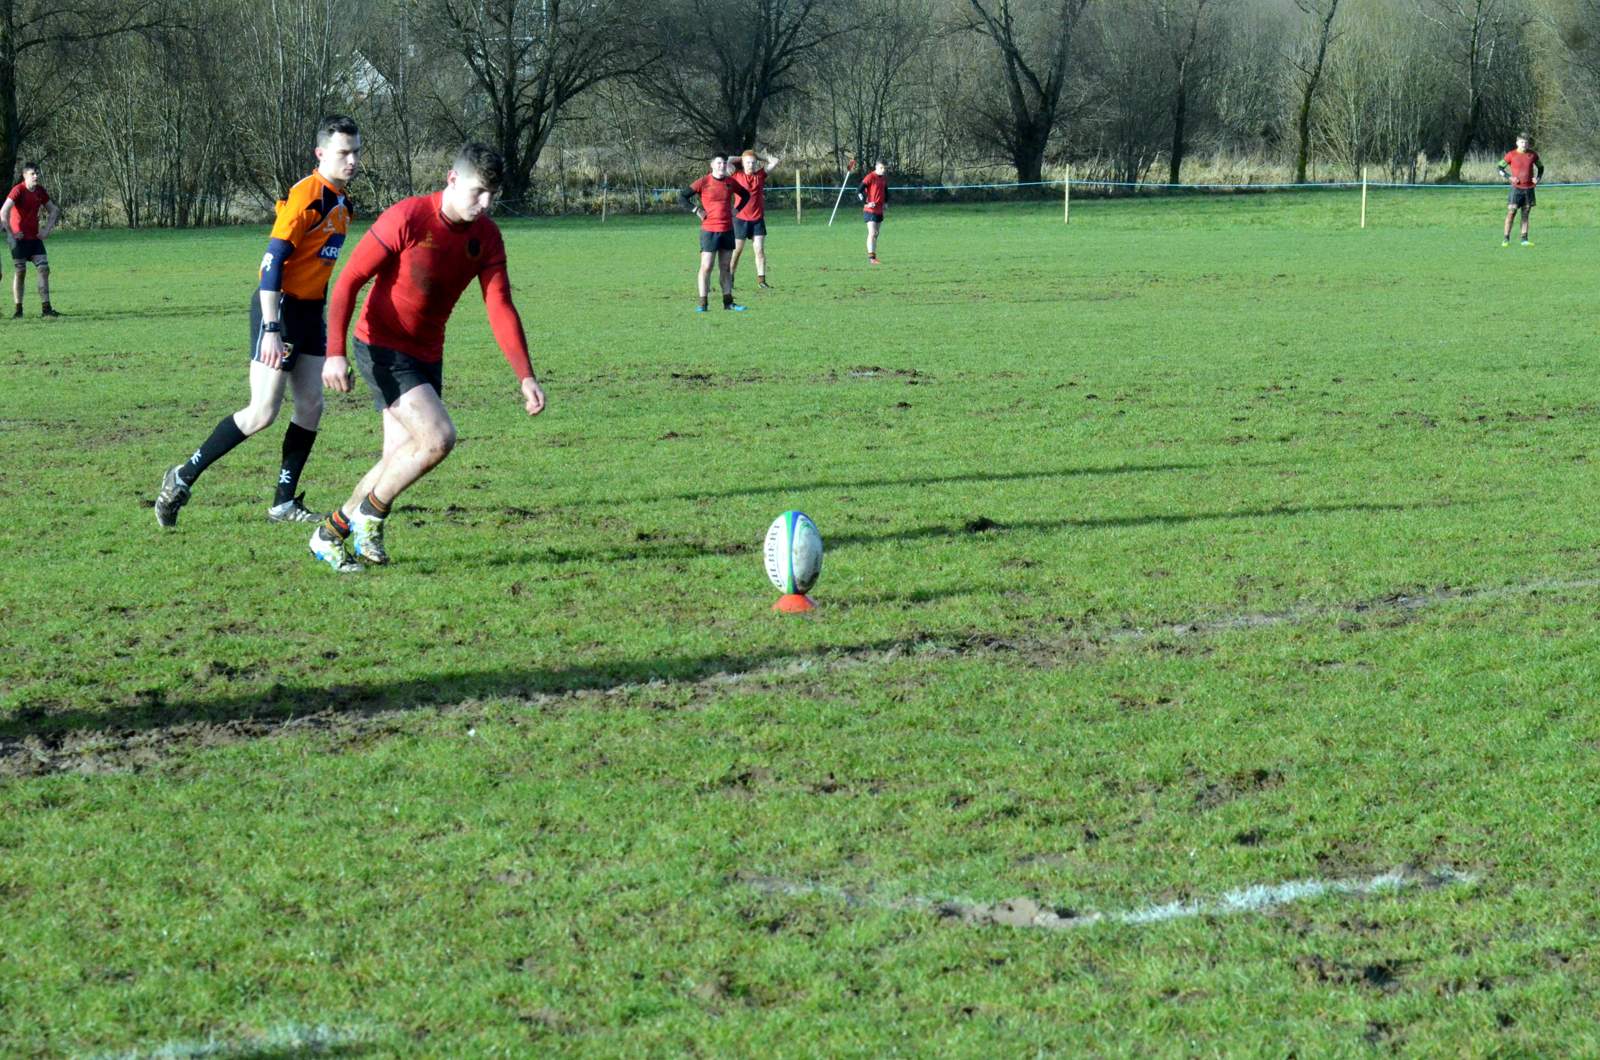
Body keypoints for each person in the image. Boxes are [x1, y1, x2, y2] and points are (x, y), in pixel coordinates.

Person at [311, 142, 547, 573]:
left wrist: (525, 375)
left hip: (427, 354)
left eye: (493, 195)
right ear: (452, 179)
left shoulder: (487, 236)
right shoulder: (407, 217)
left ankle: (330, 534)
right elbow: (348, 281)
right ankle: (370, 516)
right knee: (438, 438)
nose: (485, 204)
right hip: (380, 346)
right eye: (478, 192)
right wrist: (334, 353)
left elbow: (499, 305)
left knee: (397, 458)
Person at [154, 116, 361, 529]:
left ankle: (283, 503)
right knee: (263, 412)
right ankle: (182, 477)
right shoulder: (307, 196)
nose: (352, 160)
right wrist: (271, 327)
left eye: (356, 152)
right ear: (321, 153)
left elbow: (318, 269)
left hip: (309, 313)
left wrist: (322, 325)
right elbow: (270, 264)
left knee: (311, 406)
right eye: (344, 152)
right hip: (279, 309)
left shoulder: (343, 204)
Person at [678, 154, 750, 312]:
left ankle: (728, 303)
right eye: (718, 163)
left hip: (727, 230)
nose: (722, 166)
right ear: (712, 165)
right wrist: (697, 210)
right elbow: (682, 197)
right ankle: (703, 304)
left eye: (724, 163)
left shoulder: (730, 182)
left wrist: (736, 210)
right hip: (709, 231)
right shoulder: (703, 182)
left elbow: (746, 195)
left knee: (725, 267)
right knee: (706, 266)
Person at [0, 162, 61, 317]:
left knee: (44, 269)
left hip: (34, 239)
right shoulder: (18, 190)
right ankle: (18, 310)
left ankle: (46, 309)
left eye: (37, 173)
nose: (36, 176)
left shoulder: (40, 191)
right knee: (20, 271)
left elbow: (54, 210)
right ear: (24, 175)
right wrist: (11, 233)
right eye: (32, 174)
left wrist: (46, 230)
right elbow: (3, 211)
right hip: (19, 240)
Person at [729, 149, 780, 290]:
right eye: (748, 162)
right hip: (740, 220)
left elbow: (775, 161)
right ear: (743, 163)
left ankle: (762, 281)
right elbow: (727, 160)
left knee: (759, 250)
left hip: (757, 219)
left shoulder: (760, 175)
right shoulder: (736, 175)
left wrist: (758, 156)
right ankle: (730, 278)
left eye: (753, 162)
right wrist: (741, 157)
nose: (751, 165)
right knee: (737, 251)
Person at [1498, 133, 1542, 247]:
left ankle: (1524, 240)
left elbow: (1541, 167)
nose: (1524, 144)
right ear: (1517, 143)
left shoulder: (1533, 155)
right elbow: (1499, 168)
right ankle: (1506, 239)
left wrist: (1537, 178)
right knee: (1511, 212)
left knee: (1525, 214)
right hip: (1516, 189)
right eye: (1522, 142)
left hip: (1529, 189)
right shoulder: (1511, 155)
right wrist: (1509, 177)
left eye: (1526, 142)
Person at [859, 160, 888, 264]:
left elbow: (886, 191)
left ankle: (873, 256)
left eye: (884, 168)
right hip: (870, 210)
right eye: (881, 168)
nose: (883, 170)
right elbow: (859, 191)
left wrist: (886, 202)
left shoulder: (883, 179)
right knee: (872, 233)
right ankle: (871, 258)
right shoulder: (870, 177)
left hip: (879, 210)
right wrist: (866, 203)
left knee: (876, 233)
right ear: (876, 167)